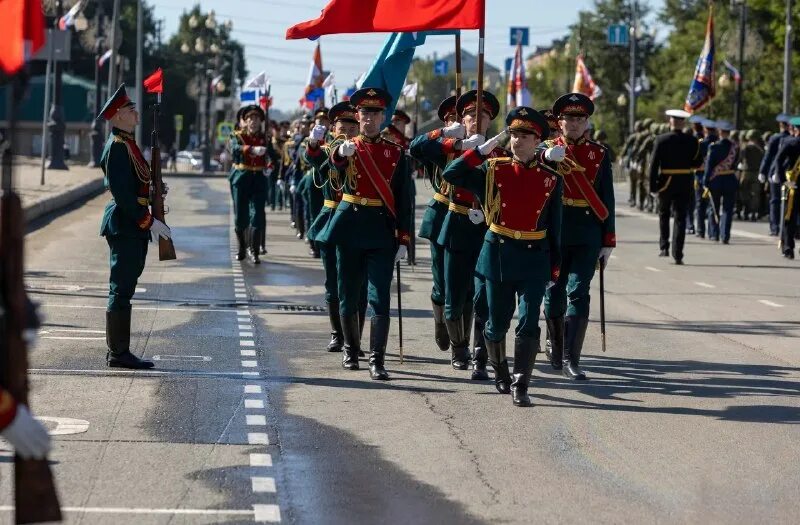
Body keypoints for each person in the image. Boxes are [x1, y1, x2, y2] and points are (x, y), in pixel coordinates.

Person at [443, 107, 561, 406]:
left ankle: (521, 384)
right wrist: (479, 153)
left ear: (538, 141)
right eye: (514, 135)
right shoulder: (494, 169)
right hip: (499, 251)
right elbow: (451, 173)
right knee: (496, 323)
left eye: (525, 136)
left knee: (530, 321)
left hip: (535, 256)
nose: (517, 140)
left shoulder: (551, 178)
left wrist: (554, 268)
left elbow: (556, 227)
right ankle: (500, 372)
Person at [326, 87, 414, 380]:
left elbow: (404, 200)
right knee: (348, 294)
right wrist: (339, 153)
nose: (368, 118)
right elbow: (331, 171)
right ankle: (351, 350)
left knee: (380, 297)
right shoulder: (346, 147)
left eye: (374, 113)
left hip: (380, 231)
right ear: (358, 115)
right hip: (350, 226)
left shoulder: (396, 152)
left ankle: (377, 360)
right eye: (364, 113)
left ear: (382, 117)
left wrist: (404, 239)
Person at [539, 93, 615, 381]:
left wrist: (609, 240)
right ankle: (556, 348)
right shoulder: (547, 149)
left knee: (579, 291)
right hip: (555, 230)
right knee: (554, 292)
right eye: (569, 118)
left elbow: (607, 198)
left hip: (587, 231)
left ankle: (572, 358)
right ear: (559, 122)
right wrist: (544, 155)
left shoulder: (600, 153)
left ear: (587, 122)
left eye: (579, 118)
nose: (573, 123)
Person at [98, 85, 171, 369]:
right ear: (117, 116)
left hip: (133, 224)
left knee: (127, 285)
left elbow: (138, 180)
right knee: (121, 287)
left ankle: (119, 350)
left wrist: (156, 189)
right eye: (130, 110)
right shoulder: (117, 147)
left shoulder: (128, 143)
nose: (136, 113)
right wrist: (148, 220)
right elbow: (123, 194)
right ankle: (118, 352)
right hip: (126, 223)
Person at [304, 102, 368, 352]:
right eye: (343, 127)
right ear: (333, 129)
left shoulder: (367, 152)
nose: (349, 132)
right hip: (332, 218)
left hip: (361, 219)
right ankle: (337, 334)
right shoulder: (329, 150)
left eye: (354, 127)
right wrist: (312, 144)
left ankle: (355, 338)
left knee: (359, 284)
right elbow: (316, 162)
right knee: (333, 281)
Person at [409, 95, 459, 355]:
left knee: (469, 284)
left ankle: (462, 343)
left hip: (474, 217)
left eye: (461, 119)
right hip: (442, 214)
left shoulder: (480, 145)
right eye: (452, 119)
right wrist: (445, 134)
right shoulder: (439, 148)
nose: (458, 122)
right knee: (442, 282)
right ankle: (441, 320)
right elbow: (415, 148)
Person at [648, 109, 699, 264]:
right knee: (680, 217)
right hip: (684, 181)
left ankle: (664, 247)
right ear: (683, 123)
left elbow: (654, 165)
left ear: (670, 122)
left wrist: (652, 186)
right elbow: (697, 162)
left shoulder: (661, 139)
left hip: (666, 182)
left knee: (664, 214)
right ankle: (678, 253)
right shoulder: (692, 140)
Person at [229, 105, 276, 263]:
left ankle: (254, 250)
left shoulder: (266, 138)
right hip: (242, 178)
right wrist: (250, 150)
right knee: (241, 216)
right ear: (245, 121)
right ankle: (242, 248)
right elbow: (234, 149)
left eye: (256, 119)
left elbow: (273, 157)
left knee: (257, 215)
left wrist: (269, 167)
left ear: (261, 121)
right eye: (250, 119)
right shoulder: (237, 136)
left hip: (259, 180)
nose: (253, 122)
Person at [703, 121, 739, 244]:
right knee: (728, 209)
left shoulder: (714, 147)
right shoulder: (734, 147)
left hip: (716, 180)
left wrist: (705, 180)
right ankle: (725, 235)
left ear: (720, 132)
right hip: (730, 179)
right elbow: (735, 164)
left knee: (713, 207)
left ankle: (714, 234)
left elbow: (709, 166)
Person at [760, 114, 792, 236]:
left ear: (780, 125)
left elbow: (768, 157)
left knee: (775, 200)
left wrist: (762, 171)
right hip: (789, 172)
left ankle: (775, 227)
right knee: (788, 201)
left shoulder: (775, 138)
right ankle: (785, 226)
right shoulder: (791, 138)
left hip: (775, 172)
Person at [774, 116, 800, 259]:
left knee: (789, 217)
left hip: (793, 185)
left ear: (795, 129)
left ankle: (788, 248)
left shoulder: (790, 143)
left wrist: (783, 180)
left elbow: (778, 160)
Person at [694, 120, 718, 239]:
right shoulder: (718, 144)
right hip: (716, 175)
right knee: (712, 205)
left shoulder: (701, 144)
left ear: (705, 130)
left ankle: (700, 230)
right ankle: (712, 232)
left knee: (700, 204)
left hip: (701, 175)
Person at [738, 130, 765, 222]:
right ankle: (753, 213)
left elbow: (740, 159)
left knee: (743, 191)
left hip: (746, 172)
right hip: (757, 173)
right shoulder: (761, 149)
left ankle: (746, 210)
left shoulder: (745, 147)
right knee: (755, 194)